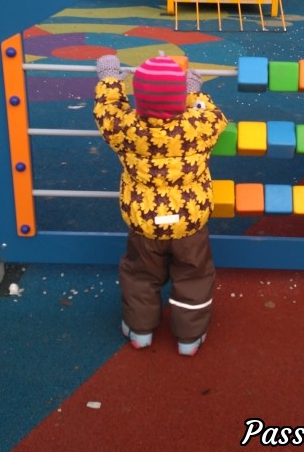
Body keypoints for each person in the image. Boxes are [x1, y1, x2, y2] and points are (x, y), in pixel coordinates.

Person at [93, 54, 227, 356]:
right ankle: (189, 338)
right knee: (194, 277)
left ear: (139, 99)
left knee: (140, 276)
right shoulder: (197, 126)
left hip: (144, 224)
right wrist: (193, 92)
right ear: (180, 98)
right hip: (189, 223)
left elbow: (107, 111)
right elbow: (215, 116)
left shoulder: (126, 128)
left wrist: (110, 79)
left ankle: (139, 331)